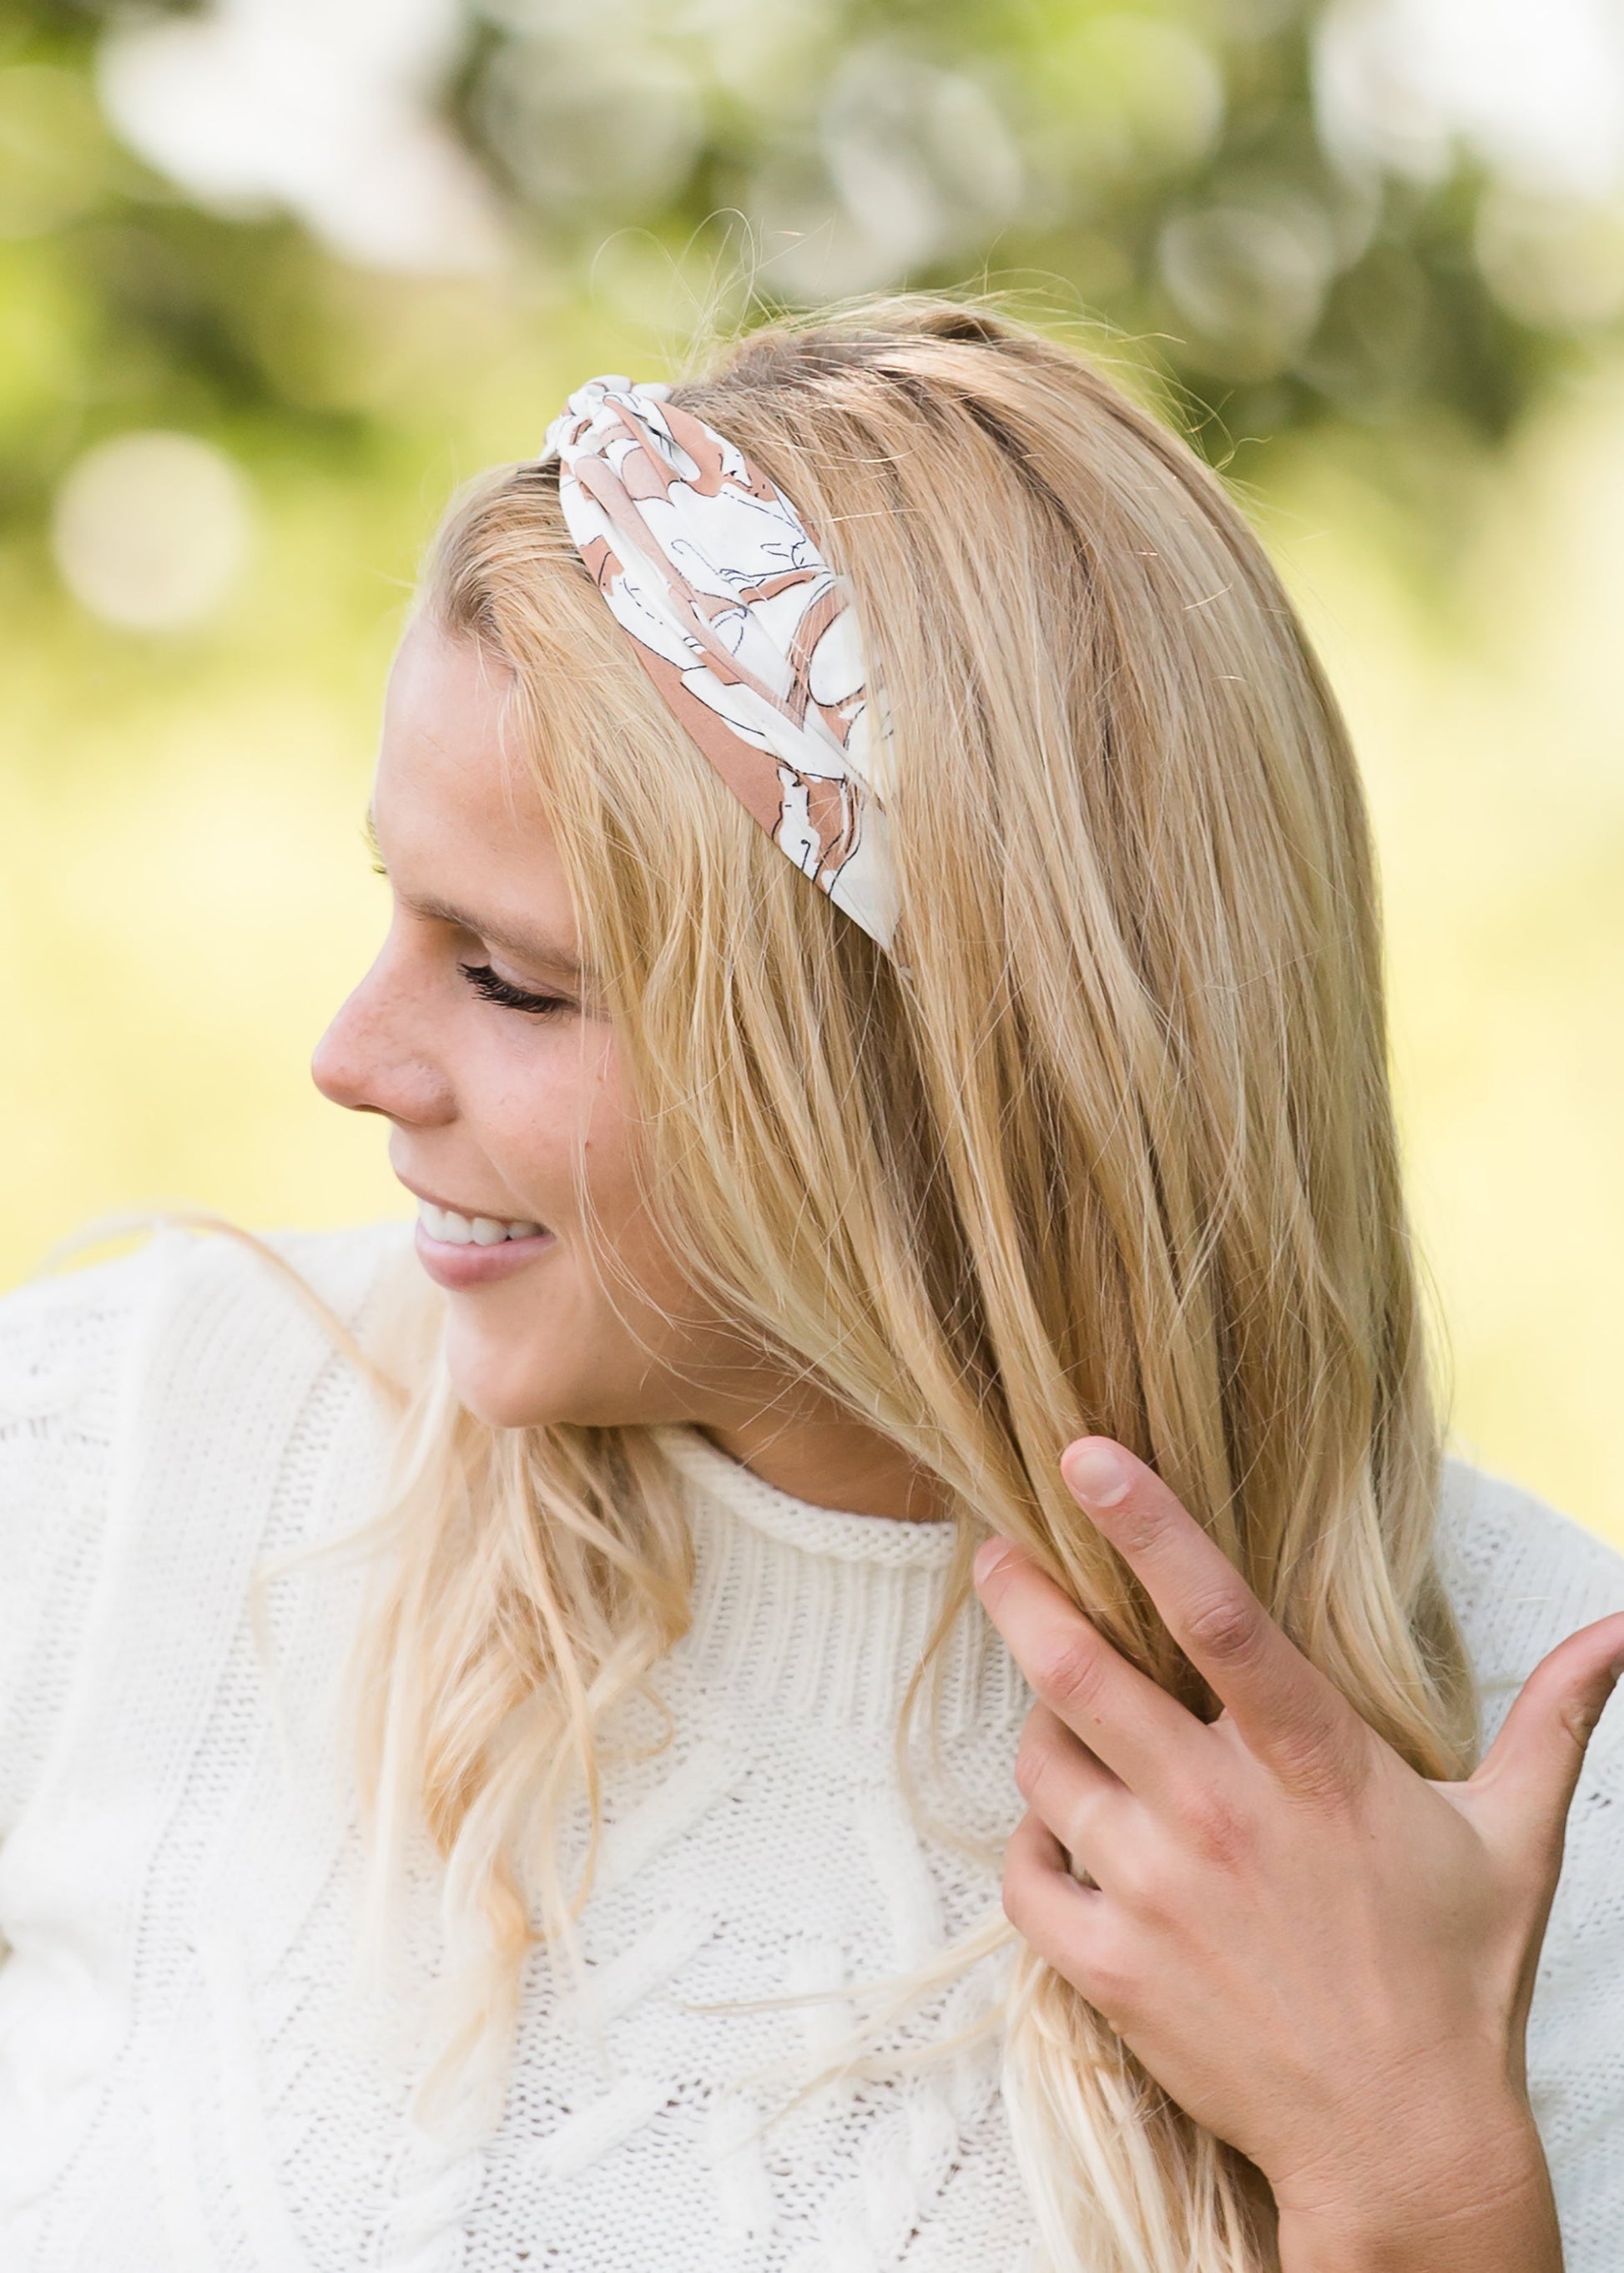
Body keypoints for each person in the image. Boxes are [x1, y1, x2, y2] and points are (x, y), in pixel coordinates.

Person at [1, 299, 1621, 2273]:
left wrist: (1419, 2172)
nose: (353, 1056)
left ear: (923, 1084)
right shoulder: (121, 1454)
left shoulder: (1544, 1780)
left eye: (507, 977)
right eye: (391, 911)